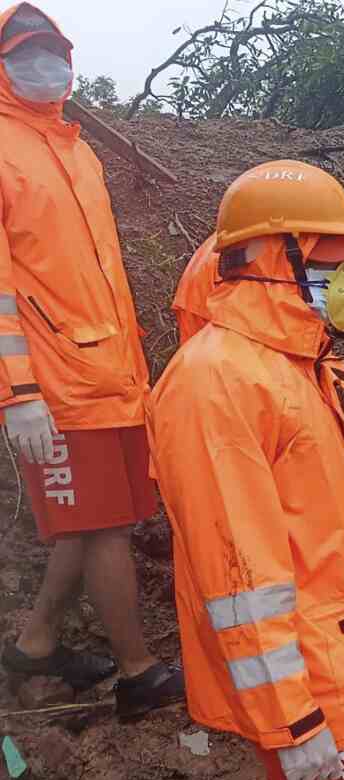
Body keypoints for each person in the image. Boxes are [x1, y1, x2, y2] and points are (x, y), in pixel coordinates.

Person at [147, 160, 344, 780]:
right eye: (331, 253)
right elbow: (235, 569)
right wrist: (292, 716)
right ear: (264, 253)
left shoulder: (291, 365)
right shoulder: (218, 380)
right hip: (321, 689)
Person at [0, 2, 184, 717]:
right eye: (25, 53)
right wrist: (18, 395)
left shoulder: (78, 151)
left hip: (110, 378)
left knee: (92, 520)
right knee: (104, 525)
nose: (44, 65)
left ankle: (36, 643)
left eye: (53, 52)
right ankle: (138, 674)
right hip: (55, 390)